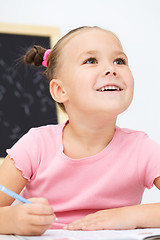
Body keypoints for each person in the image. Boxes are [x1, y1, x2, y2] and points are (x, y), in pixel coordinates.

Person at [0, 26, 160, 236]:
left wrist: (126, 216)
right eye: (91, 61)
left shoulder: (141, 148)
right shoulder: (35, 145)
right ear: (60, 90)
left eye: (119, 61)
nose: (111, 69)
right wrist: (12, 220)